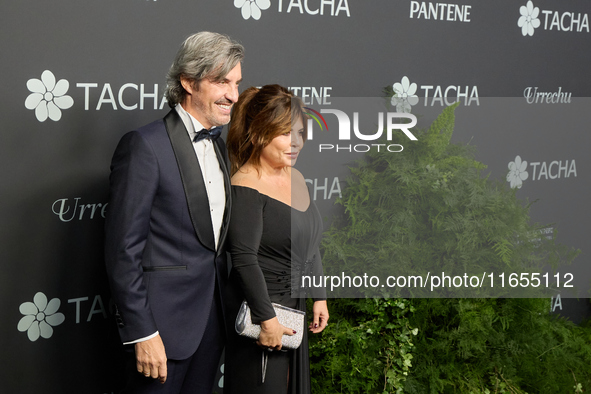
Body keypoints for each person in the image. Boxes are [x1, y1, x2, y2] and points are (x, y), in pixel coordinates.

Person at [104, 32, 244, 394]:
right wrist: (143, 332)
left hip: (212, 327)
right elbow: (123, 252)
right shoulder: (144, 146)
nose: (233, 95)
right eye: (221, 82)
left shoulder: (220, 146)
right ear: (188, 82)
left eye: (236, 83)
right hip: (160, 333)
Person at [223, 84, 329, 394]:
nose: (295, 143)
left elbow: (309, 243)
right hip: (260, 314)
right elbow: (243, 260)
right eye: (285, 133)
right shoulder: (245, 185)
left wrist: (319, 294)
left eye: (300, 133)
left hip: (293, 307)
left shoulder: (295, 176)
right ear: (257, 135)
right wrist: (266, 319)